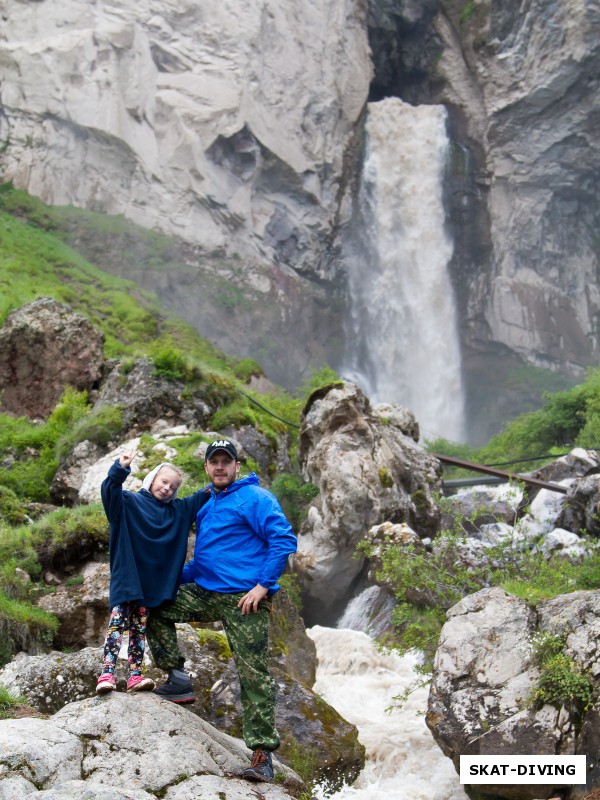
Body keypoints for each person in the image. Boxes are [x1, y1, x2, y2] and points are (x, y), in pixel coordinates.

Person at [147, 439, 298, 784]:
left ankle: (262, 757)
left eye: (225, 462)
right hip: (204, 591)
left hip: (246, 599)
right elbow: (201, 559)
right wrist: (164, 581)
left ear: (236, 466)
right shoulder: (205, 503)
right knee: (155, 605)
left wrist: (262, 586)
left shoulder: (255, 498)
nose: (219, 467)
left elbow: (283, 539)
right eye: (213, 461)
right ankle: (178, 679)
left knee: (253, 674)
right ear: (206, 467)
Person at [96, 452, 210, 694]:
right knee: (117, 625)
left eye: (173, 486)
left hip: (150, 585)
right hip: (127, 578)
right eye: (164, 481)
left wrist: (227, 478)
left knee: (139, 628)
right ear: (152, 479)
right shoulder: (127, 503)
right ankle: (107, 674)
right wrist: (120, 468)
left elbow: (202, 497)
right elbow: (109, 491)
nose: (168, 488)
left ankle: (135, 676)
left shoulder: (176, 511)